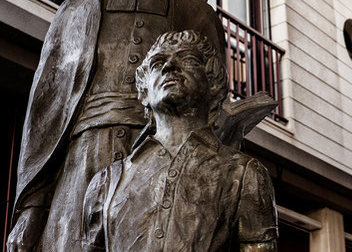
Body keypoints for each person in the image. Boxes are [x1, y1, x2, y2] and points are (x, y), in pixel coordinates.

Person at [8, 0, 226, 251]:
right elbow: (45, 117)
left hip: (164, 164)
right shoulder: (76, 11)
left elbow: (215, 109)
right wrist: (31, 209)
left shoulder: (197, 14)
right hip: (81, 165)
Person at [82, 30, 277, 251]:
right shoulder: (105, 183)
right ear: (144, 92)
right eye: (157, 64)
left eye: (188, 59)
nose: (169, 67)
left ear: (214, 84)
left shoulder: (245, 174)